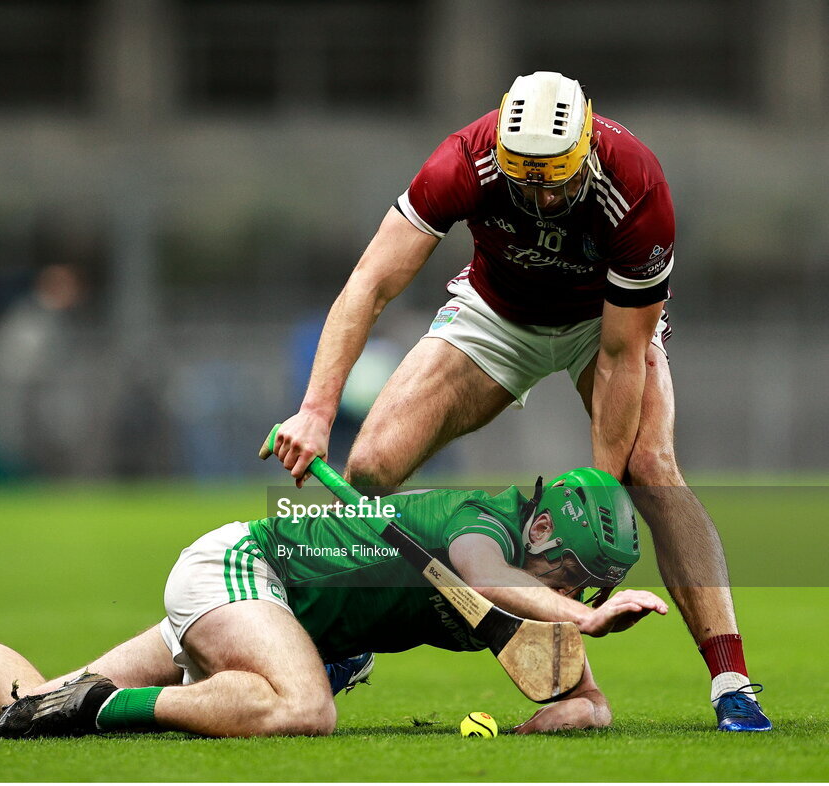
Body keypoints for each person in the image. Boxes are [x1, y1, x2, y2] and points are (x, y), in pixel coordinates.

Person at [269, 71, 770, 733]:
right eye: (524, 180)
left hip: (603, 323)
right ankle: (359, 638)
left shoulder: (638, 190)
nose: (539, 196)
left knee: (652, 470)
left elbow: (622, 355)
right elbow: (370, 283)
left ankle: (731, 681)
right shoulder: (464, 161)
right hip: (498, 314)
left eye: (555, 180)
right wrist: (317, 409)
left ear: (585, 151)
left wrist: (603, 493)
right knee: (371, 467)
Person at [0, 468, 687, 738]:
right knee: (304, 707)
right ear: (538, 528)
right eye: (575, 576)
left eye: (592, 589)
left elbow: (585, 706)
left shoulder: (526, 599)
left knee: (29, 706)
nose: (578, 598)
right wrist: (577, 619)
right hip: (245, 570)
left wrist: (568, 713)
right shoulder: (484, 531)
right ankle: (102, 708)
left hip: (268, 610)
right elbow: (476, 573)